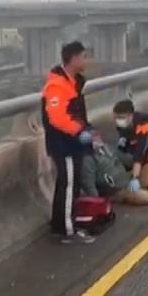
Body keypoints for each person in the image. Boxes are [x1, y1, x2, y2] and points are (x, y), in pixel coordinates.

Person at [41, 41, 95, 244]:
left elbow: (76, 113)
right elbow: (57, 118)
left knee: (70, 183)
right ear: (73, 59)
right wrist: (79, 132)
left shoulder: (73, 82)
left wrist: (86, 131)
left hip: (73, 143)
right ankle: (67, 231)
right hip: (64, 145)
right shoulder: (57, 85)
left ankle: (60, 225)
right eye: (83, 56)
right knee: (69, 184)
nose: (86, 60)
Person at [81, 132, 148, 204]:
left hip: (128, 178)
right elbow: (88, 184)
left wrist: (146, 159)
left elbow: (128, 160)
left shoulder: (107, 148)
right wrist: (98, 202)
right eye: (94, 137)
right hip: (116, 190)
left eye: (97, 135)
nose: (97, 138)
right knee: (138, 195)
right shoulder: (87, 159)